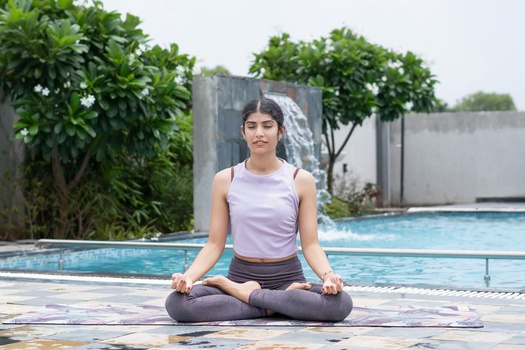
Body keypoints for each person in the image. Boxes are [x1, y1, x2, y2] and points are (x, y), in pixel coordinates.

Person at [165, 97, 353, 322]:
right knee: (178, 304)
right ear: (243, 132)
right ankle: (275, 303)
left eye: (267, 125)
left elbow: (311, 244)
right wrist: (188, 278)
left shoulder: (300, 179)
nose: (259, 133)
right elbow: (215, 244)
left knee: (339, 305)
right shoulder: (226, 179)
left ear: (281, 131)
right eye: (252, 126)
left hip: (288, 277)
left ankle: (248, 297)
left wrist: (328, 277)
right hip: (241, 277)